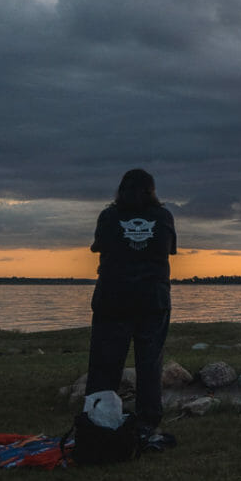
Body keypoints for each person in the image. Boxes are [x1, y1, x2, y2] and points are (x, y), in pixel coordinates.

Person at [85, 168, 176, 430]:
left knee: (105, 364)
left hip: (113, 299)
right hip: (153, 300)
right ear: (152, 191)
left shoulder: (109, 216)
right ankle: (147, 423)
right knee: (149, 365)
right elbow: (168, 248)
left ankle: (99, 422)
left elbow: (98, 245)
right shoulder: (163, 217)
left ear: (121, 191)